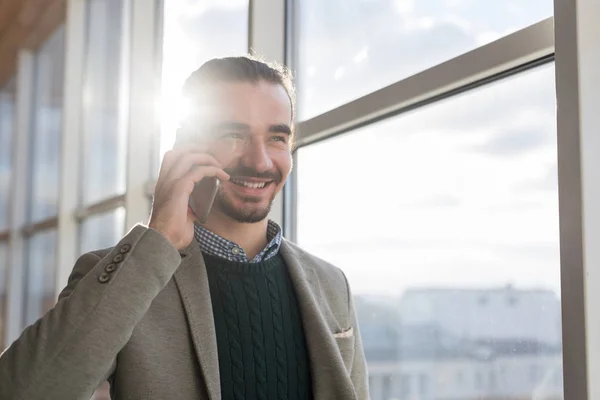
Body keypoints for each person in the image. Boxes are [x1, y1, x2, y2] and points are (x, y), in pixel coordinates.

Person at [0, 55, 369, 400]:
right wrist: (158, 238)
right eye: (233, 135)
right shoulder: (127, 275)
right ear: (186, 145)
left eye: (276, 138)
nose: (260, 161)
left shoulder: (331, 284)